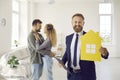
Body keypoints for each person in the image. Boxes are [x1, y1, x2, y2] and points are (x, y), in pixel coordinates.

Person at [61, 13, 109, 80]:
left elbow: (103, 53)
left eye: (80, 22)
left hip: (87, 75)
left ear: (83, 23)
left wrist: (104, 53)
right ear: (72, 23)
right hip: (71, 74)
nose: (77, 24)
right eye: (75, 22)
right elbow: (67, 52)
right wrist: (62, 61)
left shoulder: (90, 37)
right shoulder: (68, 38)